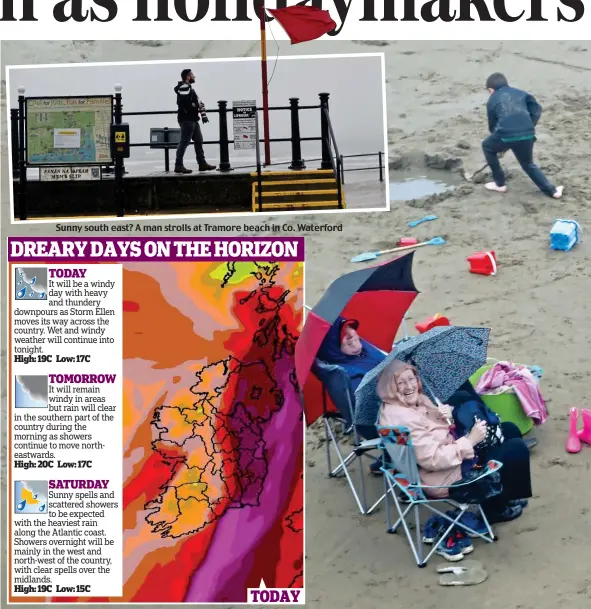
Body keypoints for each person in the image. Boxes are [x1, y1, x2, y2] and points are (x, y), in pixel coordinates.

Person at [376, 360, 532, 556]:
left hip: (448, 461)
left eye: (411, 379)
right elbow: (432, 458)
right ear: (391, 387)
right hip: (447, 478)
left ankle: (504, 496)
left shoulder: (401, 405)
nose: (409, 386)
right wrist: (469, 440)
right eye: (401, 383)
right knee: (515, 448)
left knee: (509, 430)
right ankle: (496, 509)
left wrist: (442, 414)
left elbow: (432, 430)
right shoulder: (404, 418)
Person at [482, 72, 563, 199]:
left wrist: (500, 146)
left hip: (504, 133)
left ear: (491, 90)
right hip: (527, 133)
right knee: (527, 163)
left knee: (487, 146)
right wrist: (529, 126)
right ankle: (553, 191)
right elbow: (536, 110)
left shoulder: (492, 100)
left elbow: (493, 125)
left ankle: (500, 184)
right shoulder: (522, 93)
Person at [174, 69, 216, 174]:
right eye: (192, 75)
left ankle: (202, 163)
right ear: (188, 76)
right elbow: (186, 103)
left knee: (198, 139)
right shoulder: (185, 87)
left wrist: (203, 115)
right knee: (184, 142)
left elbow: (198, 102)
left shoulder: (189, 88)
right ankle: (178, 165)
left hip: (192, 119)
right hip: (187, 119)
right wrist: (194, 109)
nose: (194, 77)